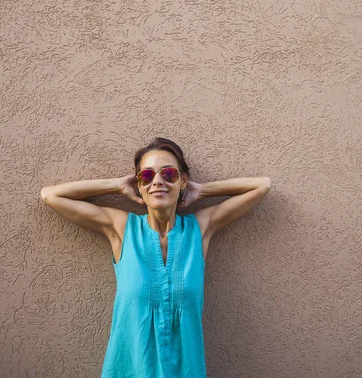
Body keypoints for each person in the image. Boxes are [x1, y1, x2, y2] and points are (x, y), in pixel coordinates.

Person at [40, 136, 272, 377]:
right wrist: (117, 185)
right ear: (138, 184)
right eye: (146, 176)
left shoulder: (199, 229)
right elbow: (51, 196)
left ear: (183, 180)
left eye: (169, 174)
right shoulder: (122, 229)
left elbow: (262, 186)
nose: (157, 182)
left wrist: (200, 190)